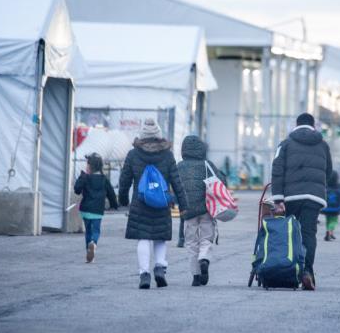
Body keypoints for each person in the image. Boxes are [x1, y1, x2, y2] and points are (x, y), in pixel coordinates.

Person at [118, 119, 188, 289]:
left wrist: (123, 200)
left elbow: (124, 179)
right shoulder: (167, 155)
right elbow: (176, 181)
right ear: (158, 135)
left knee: (143, 238)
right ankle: (159, 267)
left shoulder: (133, 154)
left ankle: (144, 274)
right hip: (161, 203)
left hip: (140, 203)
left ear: (142, 135)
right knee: (160, 237)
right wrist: (183, 204)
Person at [271, 112, 333, 291]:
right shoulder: (323, 145)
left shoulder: (285, 144)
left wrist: (278, 199)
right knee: (308, 234)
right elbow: (328, 171)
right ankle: (307, 271)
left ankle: (291, 272)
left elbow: (277, 171)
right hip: (314, 197)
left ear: (296, 125)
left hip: (291, 197)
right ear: (313, 126)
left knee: (291, 233)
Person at [177, 135, 227, 287]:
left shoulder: (180, 166)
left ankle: (196, 276)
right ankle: (204, 258)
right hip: (207, 207)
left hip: (187, 209)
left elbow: (174, 185)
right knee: (206, 238)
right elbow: (222, 182)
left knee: (191, 242)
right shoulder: (207, 164)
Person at [73, 152, 118, 263]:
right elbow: (111, 194)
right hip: (98, 210)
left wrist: (82, 177)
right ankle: (93, 243)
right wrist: (114, 205)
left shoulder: (85, 177)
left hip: (86, 210)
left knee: (88, 230)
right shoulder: (104, 179)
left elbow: (77, 190)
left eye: (87, 164)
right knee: (96, 230)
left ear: (90, 166)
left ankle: (89, 251)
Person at [321, 170, 340, 241]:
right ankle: (329, 231)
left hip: (326, 208)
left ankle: (330, 233)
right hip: (336, 208)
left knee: (328, 220)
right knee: (334, 221)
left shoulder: (325, 187)